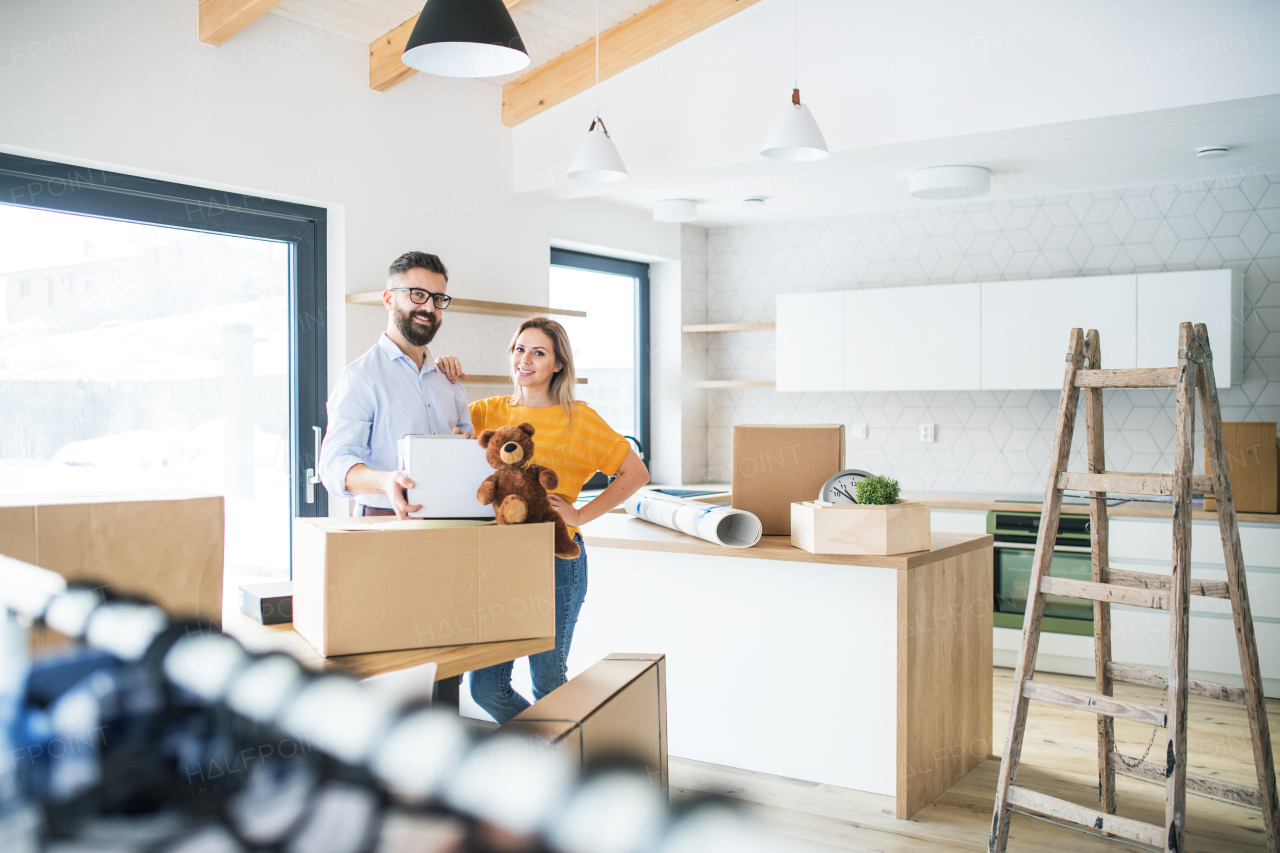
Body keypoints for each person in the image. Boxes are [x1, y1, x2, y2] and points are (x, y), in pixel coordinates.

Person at [467, 317, 650, 724]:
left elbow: (636, 473)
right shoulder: (485, 413)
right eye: (519, 349)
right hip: (498, 563)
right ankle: (551, 752)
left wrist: (581, 513)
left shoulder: (579, 418)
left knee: (549, 682)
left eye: (538, 352)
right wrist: (442, 374)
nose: (525, 360)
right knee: (484, 688)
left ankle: (559, 765)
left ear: (558, 365)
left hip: (557, 561)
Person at [319, 251, 471, 518]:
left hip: (451, 522)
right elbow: (333, 466)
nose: (429, 308)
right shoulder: (361, 376)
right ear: (389, 299)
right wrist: (385, 481)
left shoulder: (450, 382)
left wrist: (464, 450)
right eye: (417, 294)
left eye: (438, 299)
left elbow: (469, 455)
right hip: (383, 522)